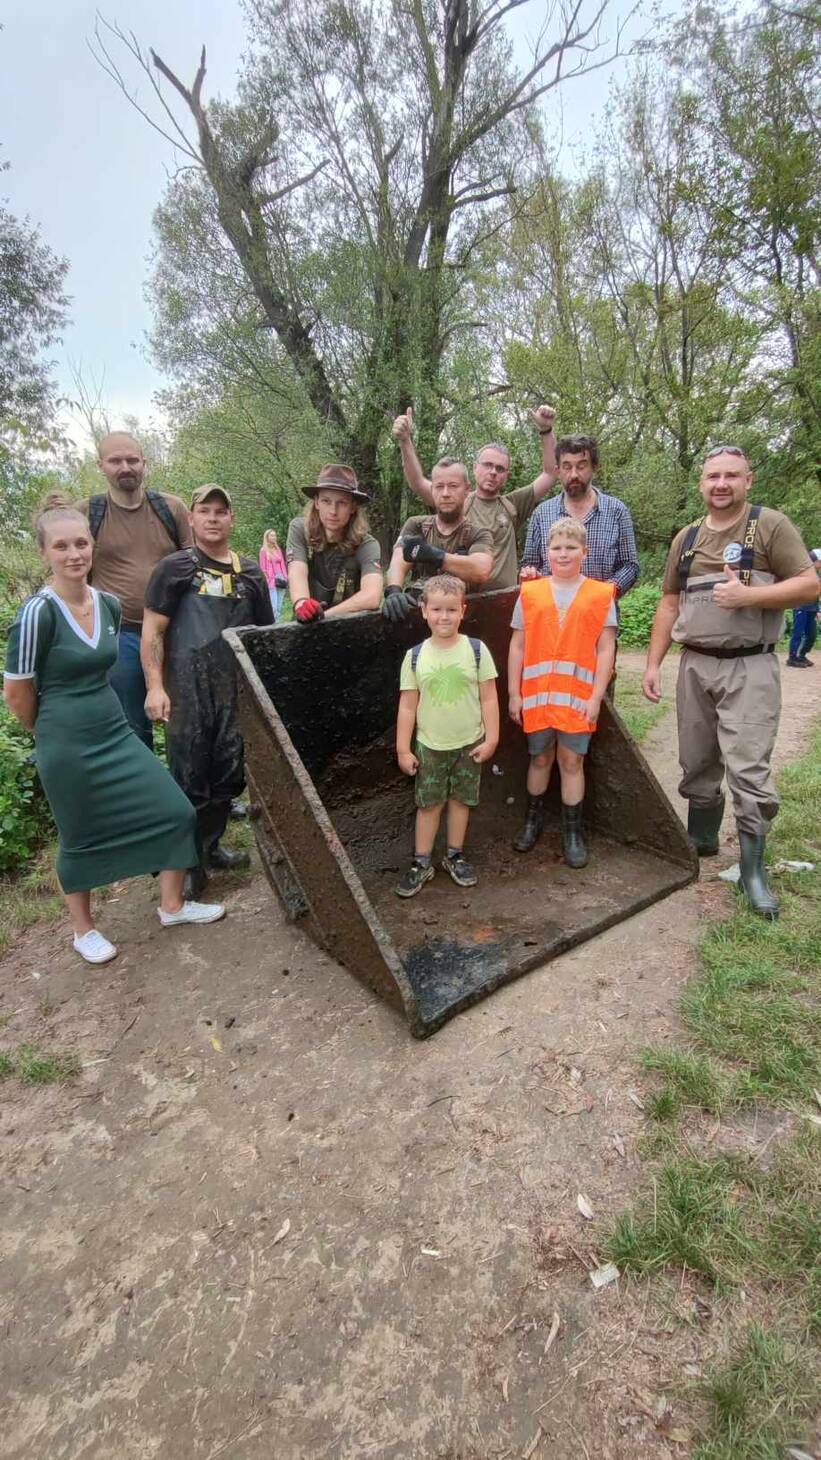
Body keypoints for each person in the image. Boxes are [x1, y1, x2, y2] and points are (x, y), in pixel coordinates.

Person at [3, 497, 225, 965]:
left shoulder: (106, 604)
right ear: (45, 552)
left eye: (81, 543)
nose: (74, 554)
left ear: (93, 546)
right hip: (64, 740)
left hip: (113, 730)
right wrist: (49, 734)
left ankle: (172, 905)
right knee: (79, 833)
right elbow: (18, 695)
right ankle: (83, 931)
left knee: (174, 810)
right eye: (61, 546)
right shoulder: (36, 614)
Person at [641, 445, 818, 919]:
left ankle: (753, 871)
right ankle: (701, 839)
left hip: (750, 665)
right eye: (713, 476)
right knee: (696, 759)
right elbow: (669, 602)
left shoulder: (770, 525)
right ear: (701, 483)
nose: (721, 484)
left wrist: (751, 595)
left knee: (747, 767)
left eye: (731, 476)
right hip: (695, 665)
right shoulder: (688, 537)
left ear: (748, 480)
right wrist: (654, 663)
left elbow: (810, 584)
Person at [141, 485, 274, 898]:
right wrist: (154, 687)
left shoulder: (251, 573)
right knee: (188, 779)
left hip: (234, 693)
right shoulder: (173, 569)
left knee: (228, 778)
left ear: (232, 519)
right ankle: (186, 866)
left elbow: (264, 638)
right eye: (205, 511)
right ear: (193, 519)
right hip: (187, 691)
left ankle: (209, 846)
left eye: (222, 511)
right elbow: (153, 633)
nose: (214, 518)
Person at [508, 519, 617, 867]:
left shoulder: (601, 595)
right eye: (556, 548)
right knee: (539, 758)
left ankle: (573, 833)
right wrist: (514, 693)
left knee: (572, 761)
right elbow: (517, 646)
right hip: (537, 698)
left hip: (577, 700)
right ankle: (532, 822)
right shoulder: (530, 593)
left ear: (584, 552)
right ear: (546, 551)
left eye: (571, 548)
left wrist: (596, 697)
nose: (563, 553)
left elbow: (606, 650)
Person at [75, 432, 192, 748]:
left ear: (144, 463)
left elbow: (197, 566)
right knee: (131, 726)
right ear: (101, 465)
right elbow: (71, 574)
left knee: (186, 722)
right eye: (115, 461)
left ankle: (190, 793)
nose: (125, 467)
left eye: (132, 460)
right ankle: (142, 792)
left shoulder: (172, 508)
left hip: (175, 631)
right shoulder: (87, 514)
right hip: (119, 634)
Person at [395, 574, 499, 897]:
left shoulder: (477, 651)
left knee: (460, 801)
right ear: (424, 610)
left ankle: (454, 854)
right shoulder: (414, 657)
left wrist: (492, 738)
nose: (444, 616)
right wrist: (403, 749)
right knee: (429, 805)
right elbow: (408, 707)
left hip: (469, 744)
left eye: (451, 610)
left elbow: (489, 698)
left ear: (463, 610)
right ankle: (421, 862)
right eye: (437, 609)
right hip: (430, 746)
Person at [391, 404, 558, 589]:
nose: (493, 472)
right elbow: (418, 483)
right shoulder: (457, 498)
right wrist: (405, 441)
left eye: (500, 468)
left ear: (506, 476)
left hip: (504, 602)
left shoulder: (513, 505)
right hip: (461, 602)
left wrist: (546, 430)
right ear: (474, 468)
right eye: (487, 465)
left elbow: (550, 474)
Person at [519, 434, 639, 604]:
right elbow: (530, 564)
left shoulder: (617, 511)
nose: (574, 474)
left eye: (581, 466)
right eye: (567, 467)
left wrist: (605, 592)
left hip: (600, 614)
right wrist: (530, 574)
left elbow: (630, 566)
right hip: (551, 615)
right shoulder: (541, 513)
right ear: (558, 470)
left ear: (594, 467)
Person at [382, 458, 494, 622]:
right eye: (439, 486)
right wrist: (393, 590)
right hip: (419, 615)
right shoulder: (416, 525)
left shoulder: (478, 533)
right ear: (432, 490)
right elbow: (398, 560)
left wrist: (433, 555)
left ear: (467, 490)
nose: (446, 493)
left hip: (462, 621)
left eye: (453, 486)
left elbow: (481, 570)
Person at [285, 464, 383, 622]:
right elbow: (297, 572)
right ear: (316, 503)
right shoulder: (299, 530)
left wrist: (323, 617)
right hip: (304, 628)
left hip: (349, 629)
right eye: (326, 501)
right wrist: (302, 604)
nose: (333, 511)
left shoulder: (367, 545)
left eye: (342, 503)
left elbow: (372, 596)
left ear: (353, 507)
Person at [786, 547, 820, 667]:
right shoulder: (801, 572)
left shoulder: (817, 575)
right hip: (800, 607)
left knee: (812, 635)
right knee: (798, 633)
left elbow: (816, 593)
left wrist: (818, 609)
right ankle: (792, 658)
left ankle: (802, 655)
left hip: (812, 608)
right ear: (814, 561)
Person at [259, 529, 288, 620]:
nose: (274, 537)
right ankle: (273, 624)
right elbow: (263, 568)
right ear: (267, 537)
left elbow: (282, 563)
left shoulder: (278, 549)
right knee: (274, 606)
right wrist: (267, 579)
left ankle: (277, 624)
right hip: (271, 580)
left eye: (275, 535)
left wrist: (286, 577)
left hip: (281, 578)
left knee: (279, 606)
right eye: (271, 535)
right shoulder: (263, 550)